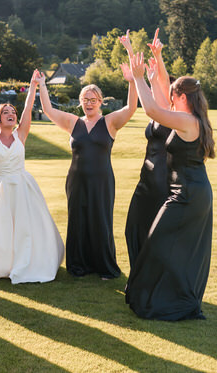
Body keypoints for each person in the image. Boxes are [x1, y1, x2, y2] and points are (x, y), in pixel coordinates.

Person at [126, 51, 215, 320]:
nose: (170, 100)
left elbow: (153, 110)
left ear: (183, 97)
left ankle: (169, 300)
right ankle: (171, 295)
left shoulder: (187, 121)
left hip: (187, 194)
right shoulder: (191, 118)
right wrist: (158, 65)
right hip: (190, 191)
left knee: (157, 244)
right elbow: (163, 96)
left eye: (174, 96)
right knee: (169, 247)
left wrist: (139, 78)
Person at [36, 58, 138, 279]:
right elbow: (48, 110)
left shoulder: (110, 122)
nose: (89, 103)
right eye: (85, 100)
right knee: (78, 220)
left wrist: (132, 81)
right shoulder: (73, 122)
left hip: (102, 180)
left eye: (93, 100)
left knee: (100, 220)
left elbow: (131, 108)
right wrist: (42, 84)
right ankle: (78, 266)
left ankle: (104, 267)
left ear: (100, 101)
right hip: (77, 180)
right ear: (80, 102)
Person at [0, 65, 64, 284]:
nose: (11, 114)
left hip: (23, 187)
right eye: (6, 113)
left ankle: (27, 262)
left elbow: (28, 109)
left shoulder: (21, 135)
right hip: (1, 189)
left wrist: (33, 85)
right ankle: (0, 264)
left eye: (13, 112)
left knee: (26, 229)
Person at [120, 30, 174, 289]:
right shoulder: (155, 109)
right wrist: (130, 49)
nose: (154, 80)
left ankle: (153, 279)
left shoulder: (168, 113)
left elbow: (161, 84)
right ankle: (140, 275)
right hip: (146, 178)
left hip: (163, 178)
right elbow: (146, 81)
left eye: (157, 79)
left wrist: (159, 58)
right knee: (134, 228)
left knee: (155, 231)